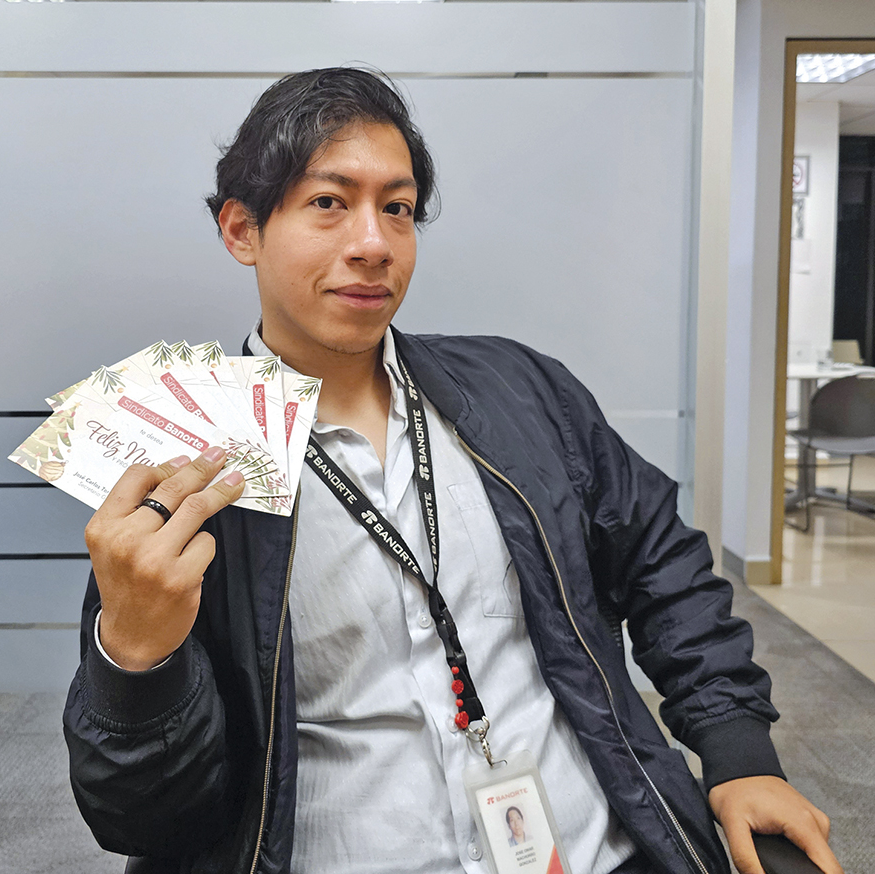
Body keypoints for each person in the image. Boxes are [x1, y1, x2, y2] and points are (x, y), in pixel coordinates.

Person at [64, 67, 843, 874]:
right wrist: (135, 658)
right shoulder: (181, 464)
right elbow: (145, 819)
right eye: (329, 202)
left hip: (595, 850)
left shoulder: (521, 392)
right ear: (242, 230)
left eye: (397, 209)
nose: (373, 244)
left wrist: (739, 752)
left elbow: (662, 562)